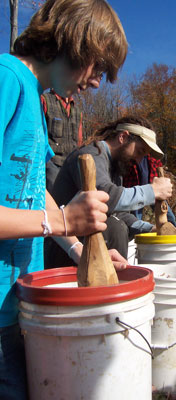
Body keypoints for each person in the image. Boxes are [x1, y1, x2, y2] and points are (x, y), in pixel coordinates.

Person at [0, 0, 128, 398]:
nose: (96, 83)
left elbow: (35, 197)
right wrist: (58, 222)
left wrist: (82, 251)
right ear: (73, 41)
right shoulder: (6, 79)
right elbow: (49, 217)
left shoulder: (38, 104)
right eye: (98, 67)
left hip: (18, 303)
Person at [50, 116, 173, 262]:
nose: (138, 161)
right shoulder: (90, 155)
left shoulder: (114, 167)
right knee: (114, 228)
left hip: (81, 241)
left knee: (115, 223)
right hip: (64, 247)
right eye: (139, 152)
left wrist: (149, 228)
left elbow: (117, 212)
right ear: (123, 137)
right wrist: (152, 191)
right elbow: (104, 196)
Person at [41, 88, 83, 192]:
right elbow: (38, 137)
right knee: (55, 202)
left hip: (71, 167)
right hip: (50, 164)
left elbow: (79, 141)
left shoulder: (78, 111)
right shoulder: (45, 100)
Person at [123, 154, 176, 226]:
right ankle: (135, 236)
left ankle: (175, 233)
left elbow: (159, 165)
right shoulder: (131, 157)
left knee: (169, 216)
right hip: (137, 193)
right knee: (136, 218)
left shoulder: (152, 156)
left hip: (154, 191)